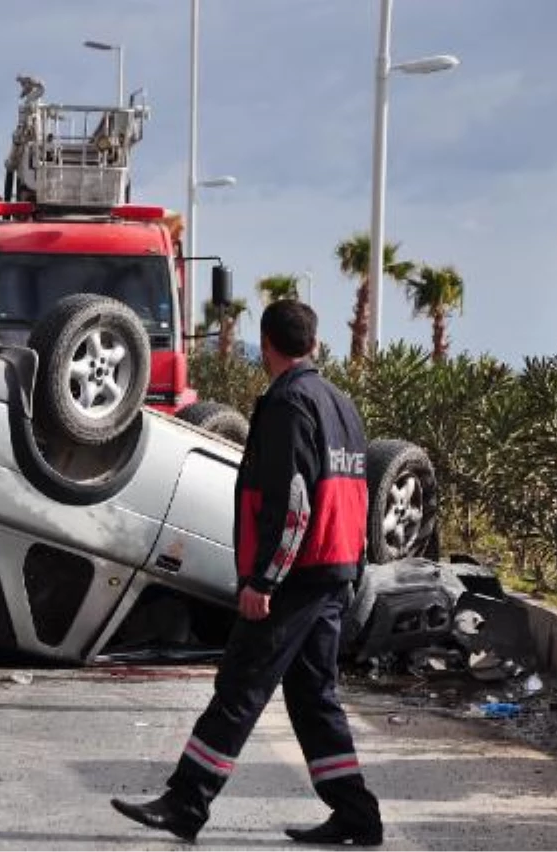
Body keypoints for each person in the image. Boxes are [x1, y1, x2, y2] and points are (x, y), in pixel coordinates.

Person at [110, 300, 383, 846]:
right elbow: (355, 492)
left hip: (297, 575)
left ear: (267, 346)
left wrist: (265, 580)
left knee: (240, 685)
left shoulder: (289, 403)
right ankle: (356, 813)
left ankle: (187, 802)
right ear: (314, 341)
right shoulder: (341, 404)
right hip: (333, 570)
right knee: (313, 696)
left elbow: (293, 503)